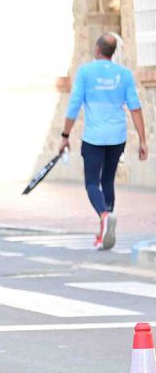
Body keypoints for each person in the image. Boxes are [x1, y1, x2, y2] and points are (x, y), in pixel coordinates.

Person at [62, 32, 147, 251]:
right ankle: (104, 230)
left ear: (97, 49)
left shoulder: (86, 72)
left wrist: (65, 136)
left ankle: (103, 214)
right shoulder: (124, 74)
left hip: (94, 138)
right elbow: (135, 108)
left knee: (92, 182)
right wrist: (143, 140)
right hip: (117, 137)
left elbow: (73, 105)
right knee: (107, 181)